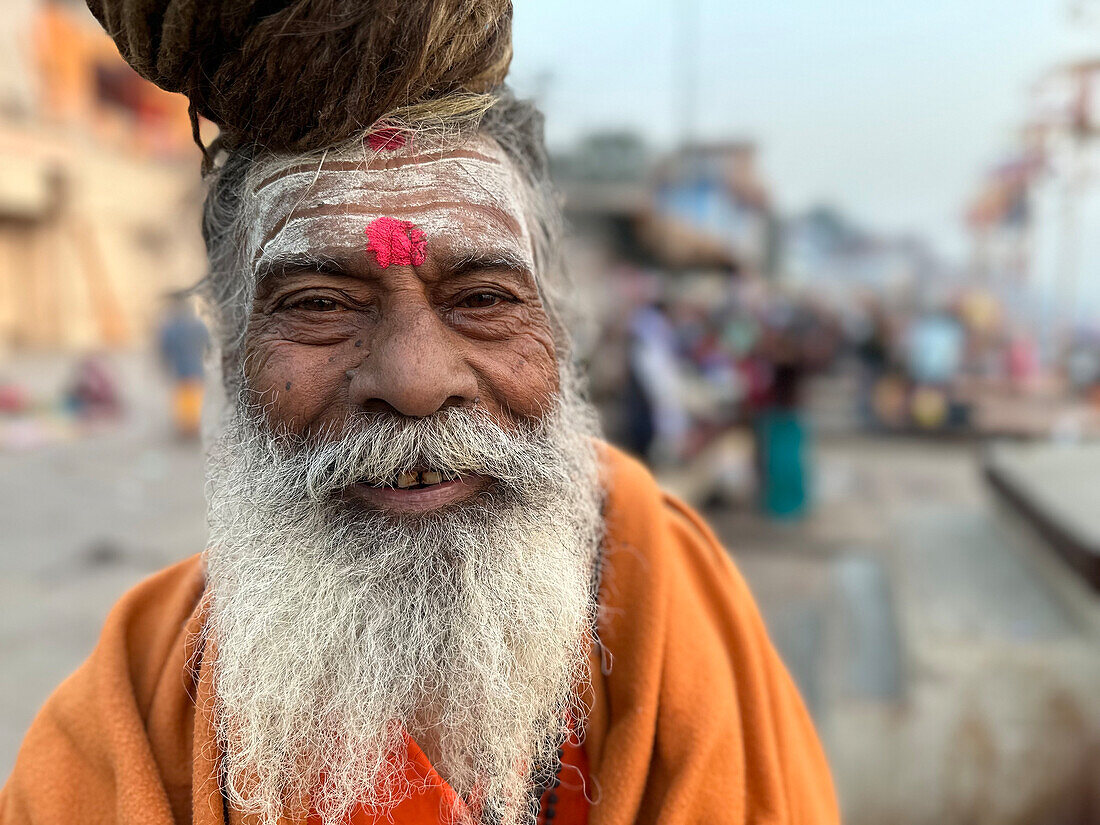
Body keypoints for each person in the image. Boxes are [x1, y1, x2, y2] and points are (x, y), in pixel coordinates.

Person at [1, 3, 837, 824]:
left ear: (560, 327)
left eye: (481, 297)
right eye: (321, 303)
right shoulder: (120, 733)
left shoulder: (682, 616)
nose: (414, 380)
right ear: (230, 355)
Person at [156, 294, 209, 438]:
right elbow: (208, 343)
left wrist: (164, 365)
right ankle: (192, 426)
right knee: (193, 397)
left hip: (180, 369)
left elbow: (164, 349)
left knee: (184, 398)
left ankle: (187, 427)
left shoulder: (170, 327)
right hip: (195, 368)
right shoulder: (197, 324)